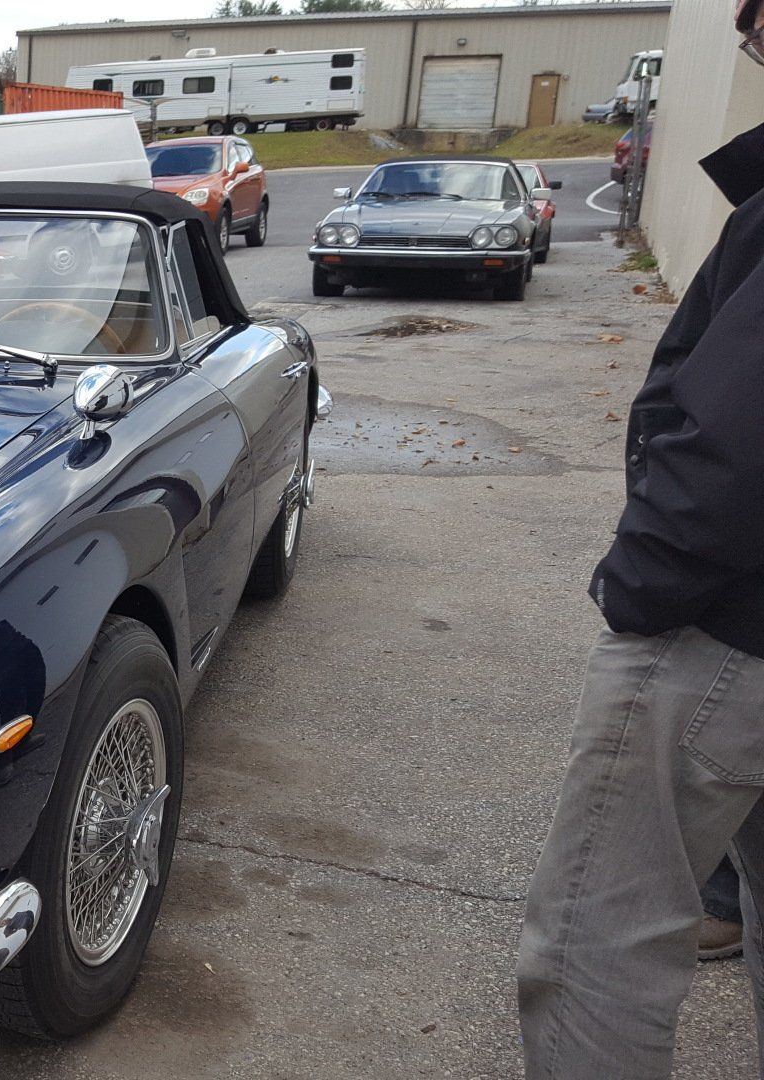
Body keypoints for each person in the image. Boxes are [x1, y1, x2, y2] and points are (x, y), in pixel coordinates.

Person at [517, 2, 764, 1073]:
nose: (753, 35)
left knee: (597, 941)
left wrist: (642, 582)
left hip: (722, 628)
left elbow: (734, 438)